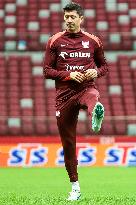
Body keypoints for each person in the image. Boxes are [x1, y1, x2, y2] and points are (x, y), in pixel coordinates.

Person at [43, 2, 108, 201]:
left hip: (86, 87)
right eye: (66, 17)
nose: (69, 20)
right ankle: (75, 186)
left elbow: (104, 66)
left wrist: (94, 71)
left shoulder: (93, 40)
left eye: (73, 17)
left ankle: (95, 112)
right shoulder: (54, 41)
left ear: (81, 18)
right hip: (64, 95)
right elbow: (47, 71)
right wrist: (70, 75)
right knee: (68, 143)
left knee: (92, 97)